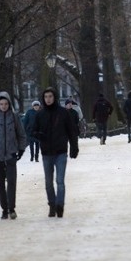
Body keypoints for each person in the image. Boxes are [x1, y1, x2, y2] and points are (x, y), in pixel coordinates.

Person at [33, 87, 79, 218]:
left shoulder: (63, 113)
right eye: (46, 97)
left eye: (50, 96)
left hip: (60, 152)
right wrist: (38, 135)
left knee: (60, 181)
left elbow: (71, 131)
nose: (48, 99)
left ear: (55, 98)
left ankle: (60, 205)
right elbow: (33, 130)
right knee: (48, 183)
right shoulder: (40, 115)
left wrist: (74, 147)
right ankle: (52, 205)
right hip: (46, 152)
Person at [0, 91, 28, 220]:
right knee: (0, 183)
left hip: (11, 155)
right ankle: (4, 209)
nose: (3, 106)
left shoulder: (14, 117)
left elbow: (21, 134)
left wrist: (21, 149)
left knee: (12, 182)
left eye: (6, 103)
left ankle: (12, 208)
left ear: (9, 103)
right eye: (1, 104)